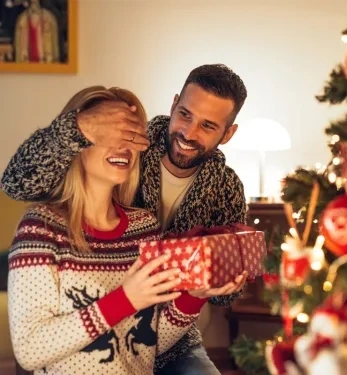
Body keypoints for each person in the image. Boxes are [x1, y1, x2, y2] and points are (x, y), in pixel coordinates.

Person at [2, 64, 249, 374]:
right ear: (173, 105)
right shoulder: (133, 143)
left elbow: (149, 336)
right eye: (185, 115)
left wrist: (205, 287)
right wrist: (77, 128)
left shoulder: (216, 191)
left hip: (169, 340)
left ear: (227, 134)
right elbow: (16, 182)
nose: (189, 133)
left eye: (208, 126)